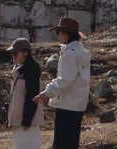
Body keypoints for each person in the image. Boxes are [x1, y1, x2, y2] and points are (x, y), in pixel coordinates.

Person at [34, 15, 91, 149]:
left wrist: (47, 92)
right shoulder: (80, 52)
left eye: (59, 33)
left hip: (66, 105)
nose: (58, 36)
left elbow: (65, 81)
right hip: (78, 104)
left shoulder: (69, 54)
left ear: (66, 34)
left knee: (61, 144)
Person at [8, 38, 43, 149]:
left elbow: (32, 96)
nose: (13, 56)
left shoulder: (31, 70)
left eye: (15, 53)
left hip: (28, 124)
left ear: (25, 53)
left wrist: (27, 120)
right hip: (19, 123)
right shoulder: (18, 70)